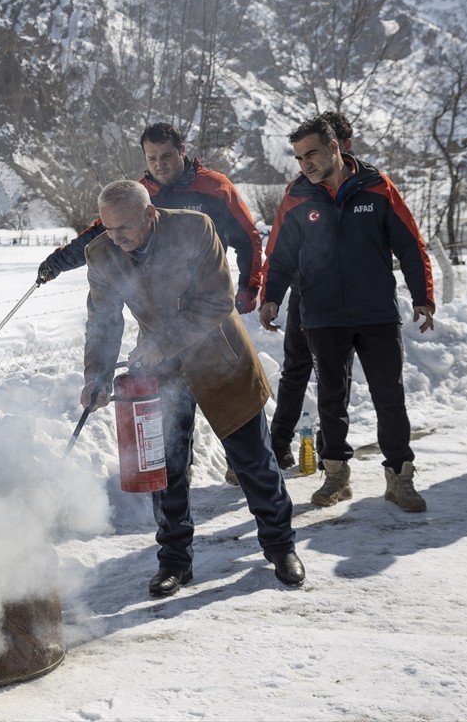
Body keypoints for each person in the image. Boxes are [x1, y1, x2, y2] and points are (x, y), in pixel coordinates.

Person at [80, 180, 303, 595]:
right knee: (165, 471)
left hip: (219, 357)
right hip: (161, 373)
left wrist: (160, 343)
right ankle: (175, 561)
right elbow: (103, 321)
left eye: (124, 227)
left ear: (149, 214)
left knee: (253, 461)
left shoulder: (195, 229)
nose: (117, 237)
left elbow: (217, 301)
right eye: (108, 229)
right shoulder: (102, 254)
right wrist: (97, 374)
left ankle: (280, 546)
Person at [259, 115, 435, 512]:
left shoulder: (377, 187)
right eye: (299, 157)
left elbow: (410, 245)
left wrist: (424, 296)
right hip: (322, 315)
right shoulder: (298, 196)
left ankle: (400, 479)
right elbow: (281, 255)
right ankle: (336, 476)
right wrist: (271, 297)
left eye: (312, 153)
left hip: (376, 313)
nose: (305, 163)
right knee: (331, 399)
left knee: (390, 397)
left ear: (335, 147)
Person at [36, 122, 263, 315]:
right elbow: (100, 234)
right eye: (151, 158)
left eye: (166, 156)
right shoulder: (139, 195)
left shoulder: (216, 187)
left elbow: (248, 239)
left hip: (209, 296)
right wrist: (57, 263)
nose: (159, 164)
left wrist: (248, 288)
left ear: (182, 150)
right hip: (159, 301)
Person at [267, 110, 354, 469]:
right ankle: (278, 444)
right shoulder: (298, 191)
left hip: (345, 302)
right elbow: (279, 247)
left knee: (336, 376)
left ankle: (328, 446)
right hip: (305, 297)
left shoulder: (363, 186)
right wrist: (271, 295)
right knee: (295, 371)